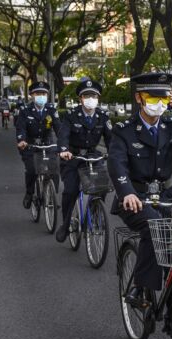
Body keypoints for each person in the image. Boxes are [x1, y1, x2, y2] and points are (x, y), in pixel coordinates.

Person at [107, 72, 172, 329]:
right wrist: (126, 191)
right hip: (135, 197)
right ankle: (140, 289)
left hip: (166, 196)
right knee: (154, 228)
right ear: (139, 97)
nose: (159, 103)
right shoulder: (124, 131)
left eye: (164, 97)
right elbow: (116, 164)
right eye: (153, 97)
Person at [55, 79, 113, 242]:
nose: (90, 99)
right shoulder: (71, 115)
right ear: (80, 99)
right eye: (87, 96)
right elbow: (63, 135)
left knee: (102, 186)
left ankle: (95, 213)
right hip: (73, 157)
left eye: (93, 96)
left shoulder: (103, 116)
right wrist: (63, 150)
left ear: (98, 98)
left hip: (93, 156)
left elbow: (111, 139)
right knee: (71, 191)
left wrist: (115, 153)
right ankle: (66, 225)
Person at [16, 81, 61, 209]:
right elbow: (21, 128)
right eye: (38, 93)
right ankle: (29, 193)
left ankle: (51, 195)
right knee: (32, 170)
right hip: (30, 145)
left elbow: (58, 128)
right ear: (32, 95)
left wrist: (63, 143)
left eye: (43, 93)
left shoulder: (51, 109)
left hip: (47, 144)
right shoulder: (25, 111)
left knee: (54, 170)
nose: (41, 96)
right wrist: (22, 141)